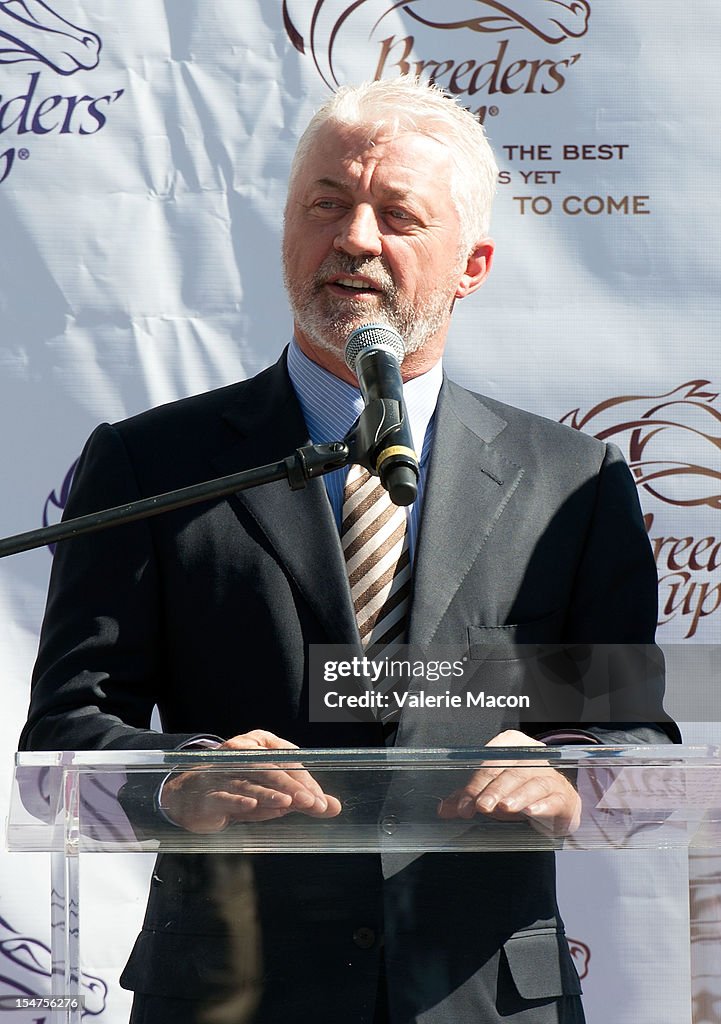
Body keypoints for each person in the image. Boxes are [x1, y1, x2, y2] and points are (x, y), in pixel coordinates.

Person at [19, 78, 678, 1024]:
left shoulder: (571, 483)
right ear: (287, 229)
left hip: (483, 997)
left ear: (473, 264)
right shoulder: (151, 464)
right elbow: (65, 741)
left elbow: (638, 739)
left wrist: (566, 778)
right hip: (230, 993)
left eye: (397, 216)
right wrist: (189, 774)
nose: (355, 238)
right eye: (326, 204)